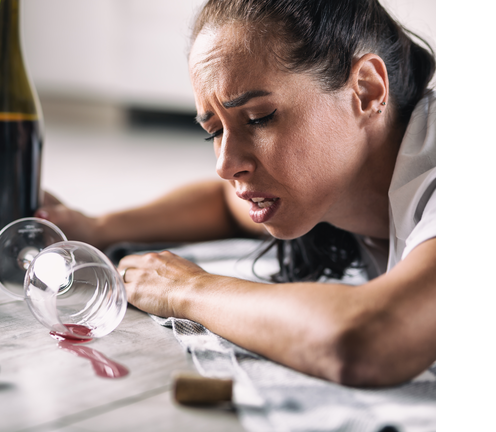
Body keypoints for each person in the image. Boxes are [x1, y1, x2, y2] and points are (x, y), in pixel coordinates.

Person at [35, 0, 436, 388]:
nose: (225, 166)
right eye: (214, 131)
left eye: (260, 118)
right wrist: (95, 226)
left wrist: (187, 288)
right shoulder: (336, 184)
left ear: (366, 89)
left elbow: (367, 342)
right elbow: (226, 206)